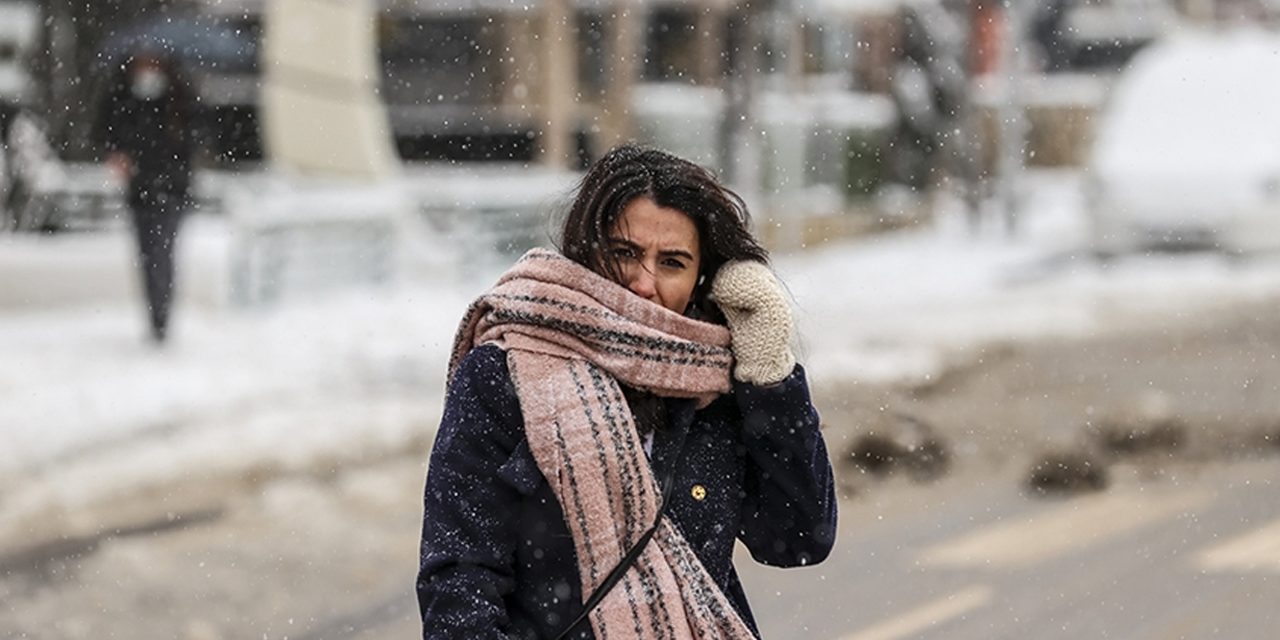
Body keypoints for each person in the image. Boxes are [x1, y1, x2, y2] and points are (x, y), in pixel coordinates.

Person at [417, 144, 837, 640]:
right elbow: (460, 577)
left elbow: (798, 540)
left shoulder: (714, 387)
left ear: (702, 278)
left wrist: (769, 373)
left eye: (673, 262)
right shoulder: (506, 372)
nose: (644, 283)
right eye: (624, 254)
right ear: (585, 250)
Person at [95, 49, 196, 343]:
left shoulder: (180, 96)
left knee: (161, 252)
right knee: (148, 254)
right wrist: (117, 155)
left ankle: (161, 317)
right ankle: (156, 314)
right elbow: (105, 133)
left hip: (172, 190)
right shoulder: (122, 96)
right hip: (140, 191)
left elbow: (195, 137)